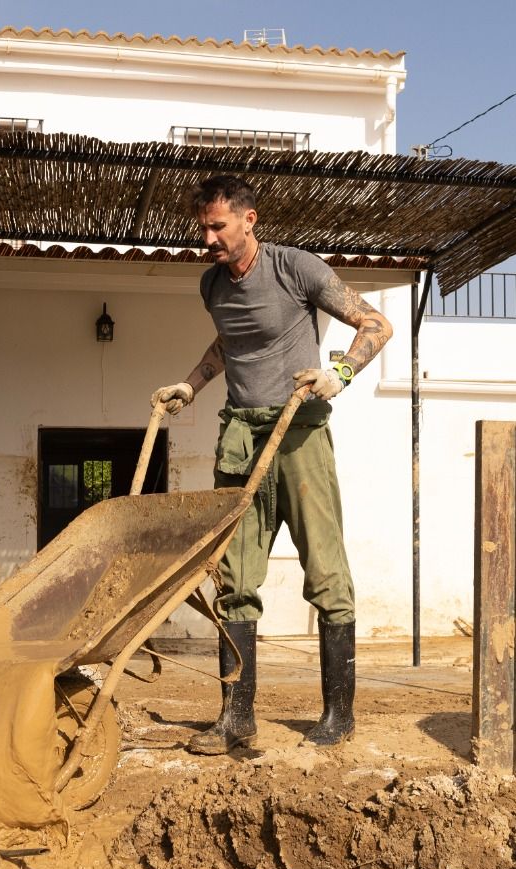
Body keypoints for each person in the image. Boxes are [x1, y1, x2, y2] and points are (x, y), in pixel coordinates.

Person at [152, 174, 392, 755]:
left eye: (217, 226)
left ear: (248, 219)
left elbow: (376, 324)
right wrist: (191, 386)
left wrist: (341, 374)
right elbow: (228, 344)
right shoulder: (212, 285)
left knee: (327, 573)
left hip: (299, 433)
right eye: (201, 227)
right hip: (240, 435)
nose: (206, 237)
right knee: (234, 579)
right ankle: (237, 717)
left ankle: (339, 714)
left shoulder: (296, 268)